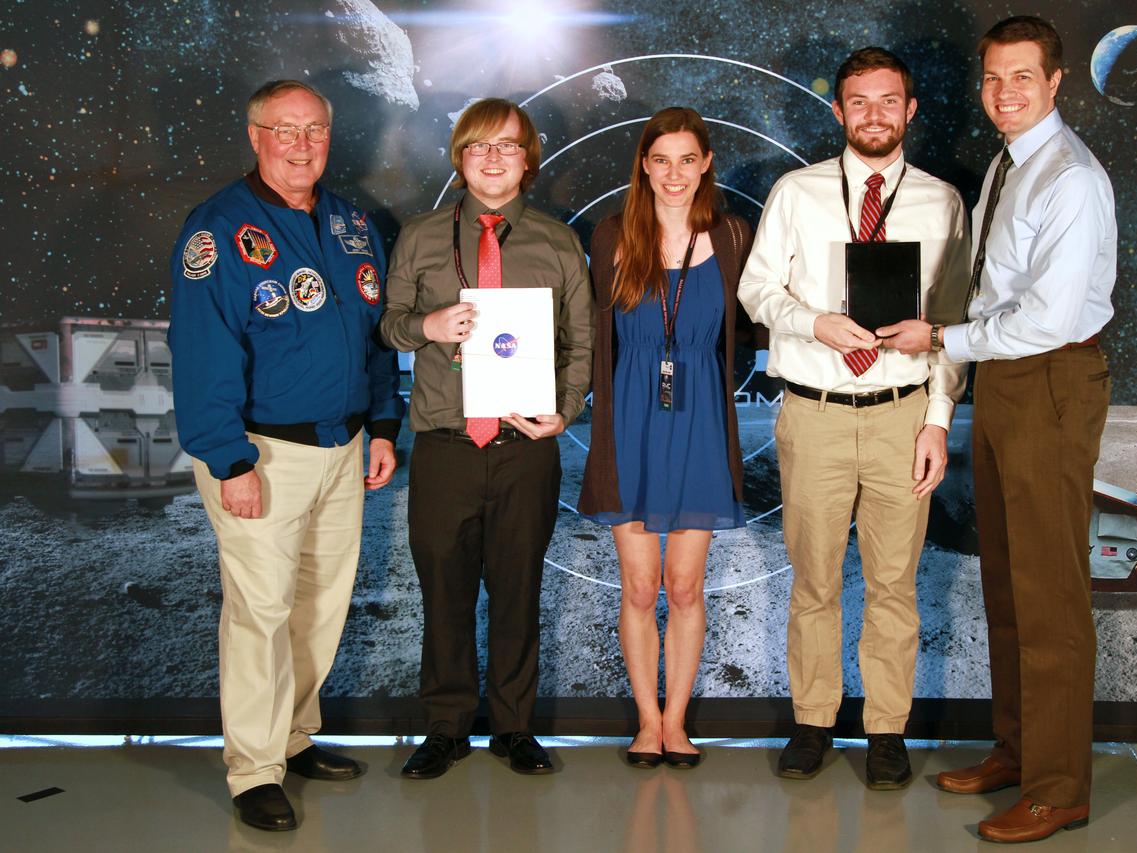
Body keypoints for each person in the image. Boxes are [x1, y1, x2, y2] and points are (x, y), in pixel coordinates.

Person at [879, 15, 1116, 843]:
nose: (1004, 93)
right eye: (992, 79)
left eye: (1022, 78)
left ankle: (1060, 788)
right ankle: (1018, 750)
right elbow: (992, 293)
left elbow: (1046, 319)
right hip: (1007, 382)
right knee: (1012, 585)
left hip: (1049, 379)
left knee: (1050, 594)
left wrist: (940, 339)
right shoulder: (1010, 168)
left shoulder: (1071, 179)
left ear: (1056, 82)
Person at [168, 79, 404, 832]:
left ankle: (294, 735)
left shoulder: (351, 226)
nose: (302, 145)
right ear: (255, 135)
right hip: (263, 454)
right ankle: (253, 769)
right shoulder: (218, 231)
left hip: (343, 445)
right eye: (285, 130)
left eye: (315, 131)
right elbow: (203, 354)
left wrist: (386, 427)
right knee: (261, 612)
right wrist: (228, 460)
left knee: (319, 605)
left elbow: (369, 339)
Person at [737, 47, 969, 787]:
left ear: (910, 111)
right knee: (814, 578)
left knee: (895, 581)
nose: (874, 114)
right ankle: (812, 720)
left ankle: (886, 730)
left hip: (904, 414)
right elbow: (756, 292)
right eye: (858, 101)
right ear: (838, 111)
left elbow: (958, 321)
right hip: (817, 414)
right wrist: (811, 323)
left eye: (888, 100)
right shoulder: (796, 193)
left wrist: (937, 417)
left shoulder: (942, 202)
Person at [380, 98, 593, 779]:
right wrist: (428, 328)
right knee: (443, 589)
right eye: (478, 147)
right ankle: (445, 726)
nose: (493, 158)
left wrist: (565, 409)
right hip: (445, 445)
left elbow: (581, 340)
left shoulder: (558, 242)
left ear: (527, 160)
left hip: (525, 448)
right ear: (460, 158)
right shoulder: (418, 235)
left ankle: (513, 725)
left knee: (517, 587)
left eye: (507, 146)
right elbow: (389, 324)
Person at [578, 108, 753, 769]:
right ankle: (646, 721)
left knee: (684, 587)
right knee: (639, 586)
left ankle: (677, 721)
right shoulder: (610, 236)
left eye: (688, 159)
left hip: (702, 422)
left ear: (706, 163)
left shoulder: (734, 236)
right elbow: (591, 333)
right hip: (630, 425)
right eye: (661, 160)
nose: (674, 173)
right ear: (643, 165)